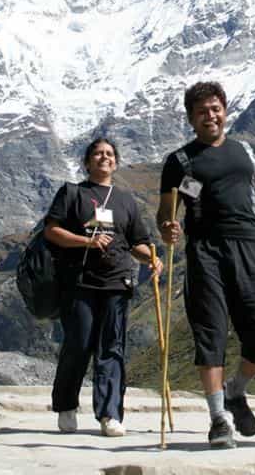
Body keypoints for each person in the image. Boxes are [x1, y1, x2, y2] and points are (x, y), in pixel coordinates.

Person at [157, 81, 255, 449]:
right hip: (205, 252)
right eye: (202, 111)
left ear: (225, 110)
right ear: (191, 118)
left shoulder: (249, 153)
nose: (211, 116)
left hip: (252, 249)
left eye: (216, 108)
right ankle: (218, 418)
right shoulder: (180, 161)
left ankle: (236, 390)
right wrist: (168, 228)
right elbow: (167, 213)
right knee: (211, 334)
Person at [45, 138, 162, 437]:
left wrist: (153, 259)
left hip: (117, 282)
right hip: (80, 282)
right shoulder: (73, 193)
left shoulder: (125, 200)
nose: (104, 157)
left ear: (116, 162)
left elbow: (137, 243)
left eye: (109, 154)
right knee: (79, 345)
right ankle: (66, 406)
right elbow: (52, 231)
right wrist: (87, 241)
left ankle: (110, 414)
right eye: (97, 153)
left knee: (112, 348)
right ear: (87, 162)